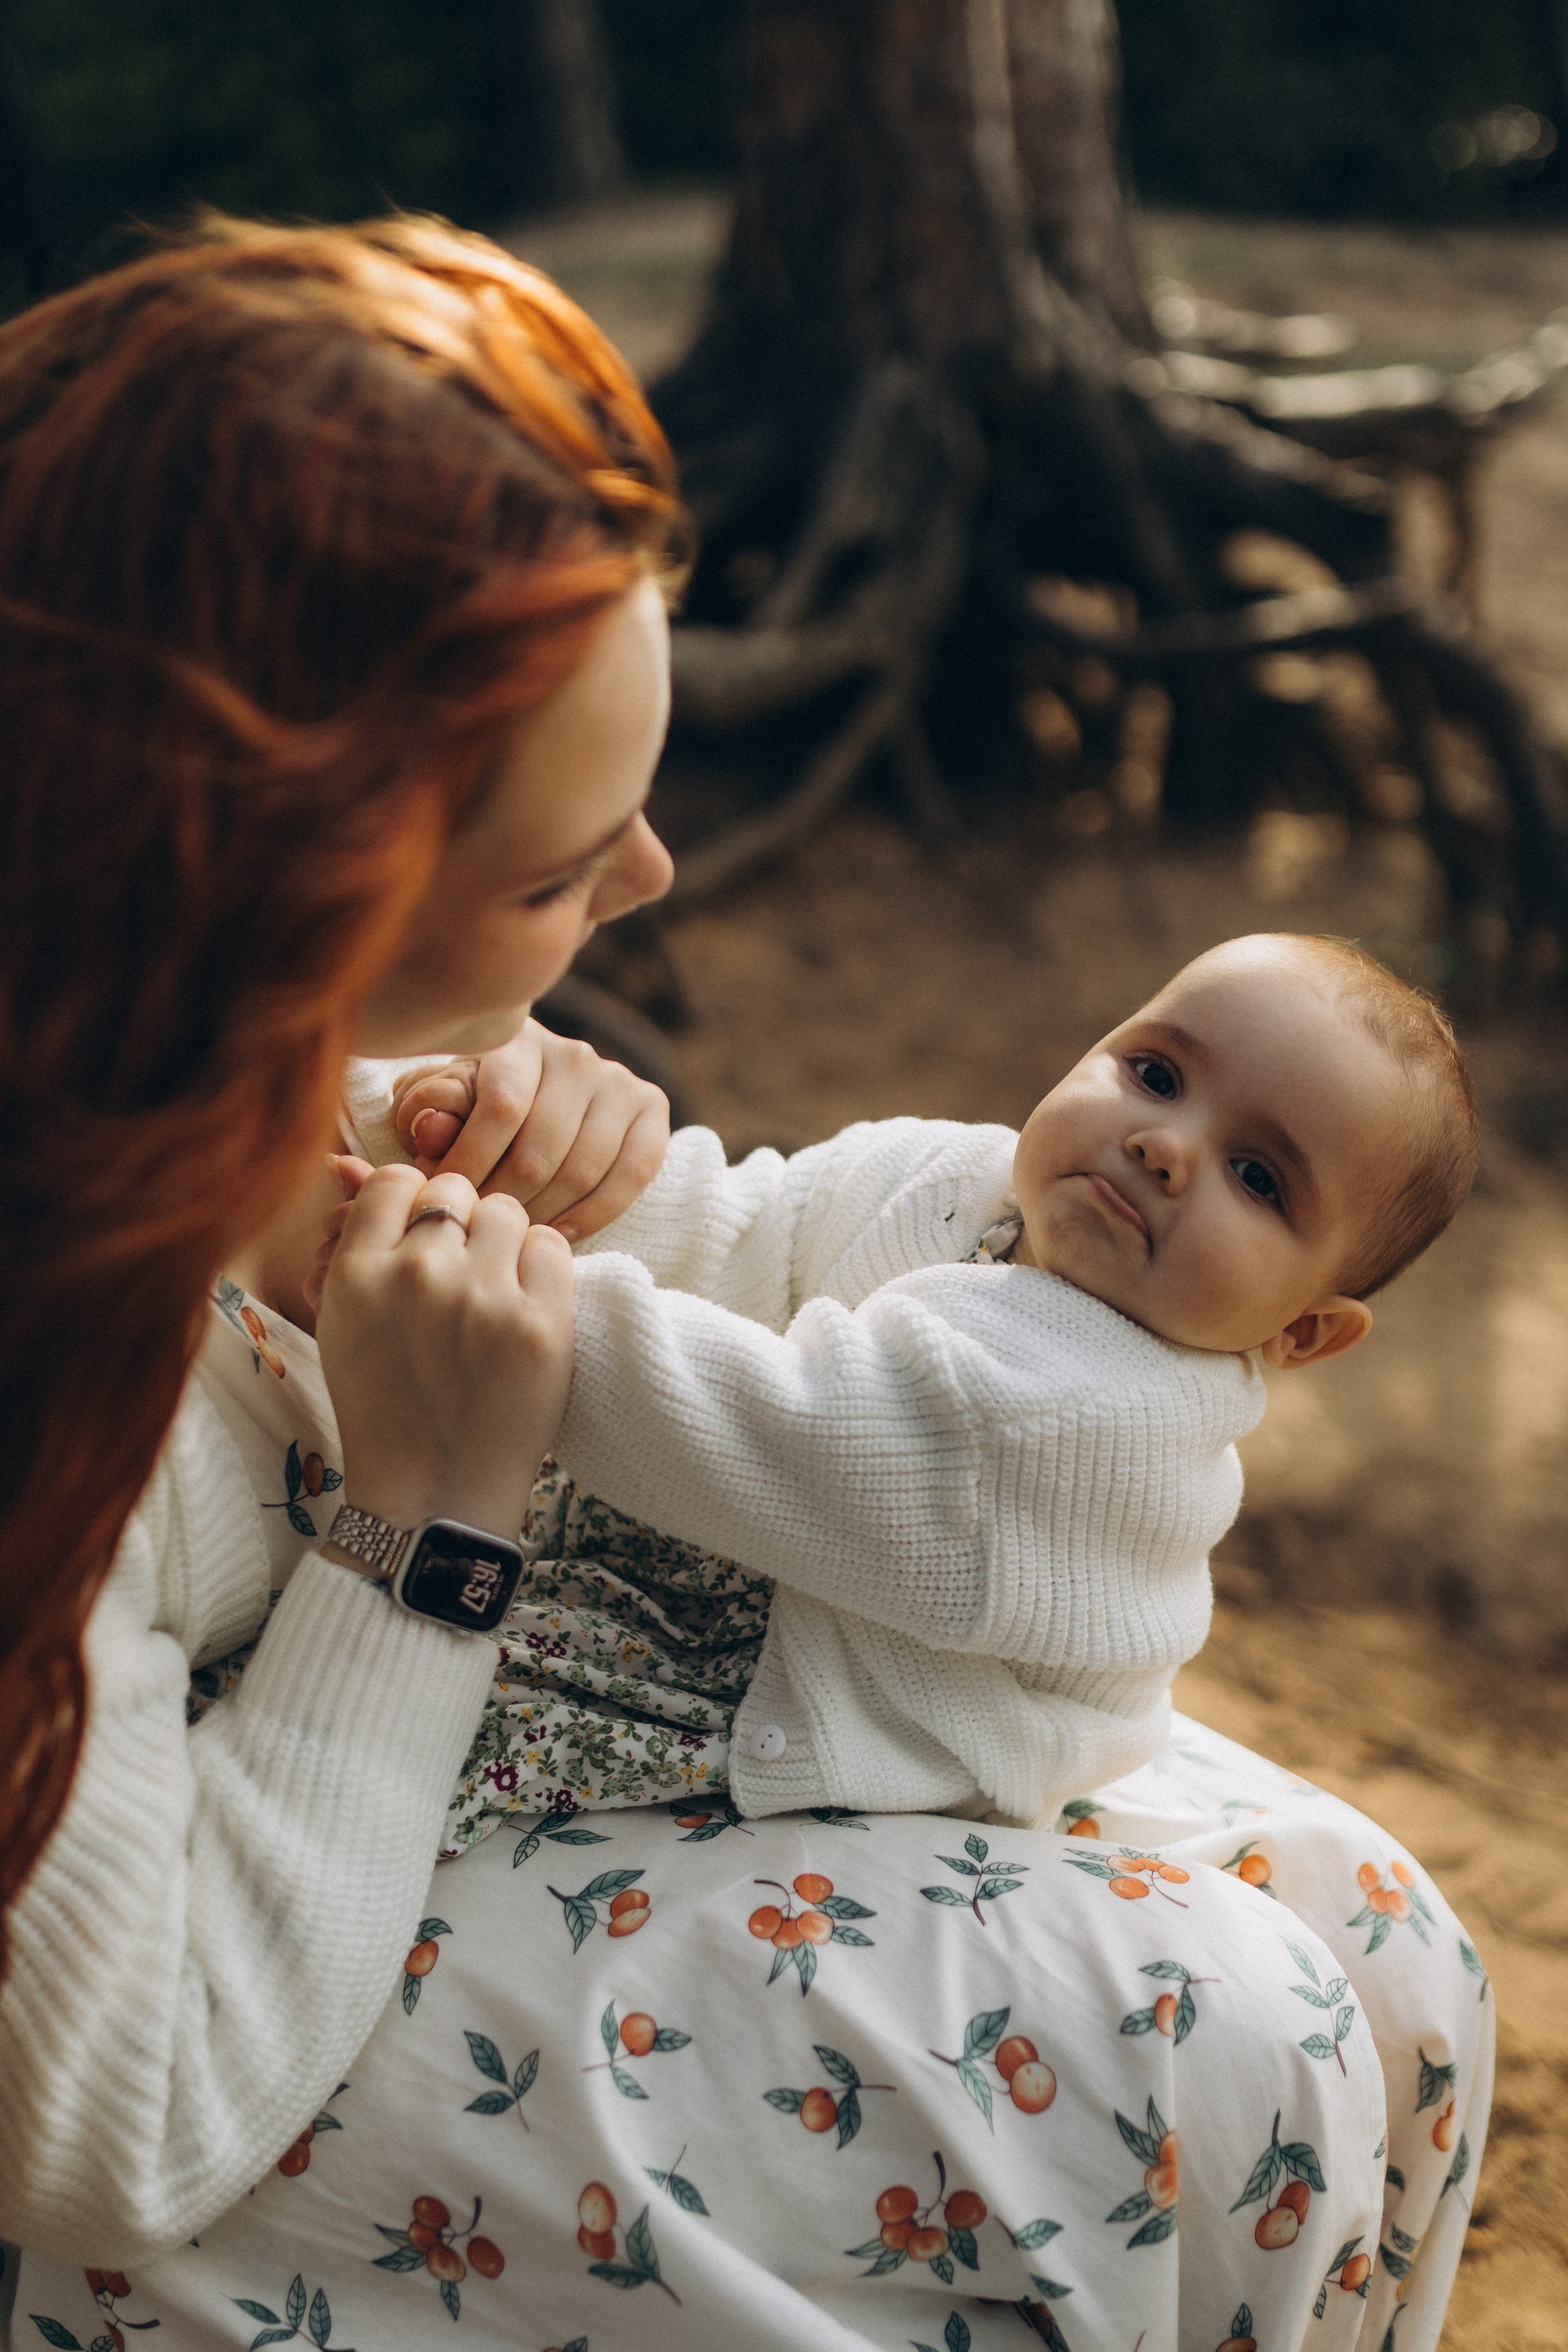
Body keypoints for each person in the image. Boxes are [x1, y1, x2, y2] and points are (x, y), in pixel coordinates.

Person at [0, 217, 1488, 2352]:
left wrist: (536, 1149)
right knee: (1211, 2042)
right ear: (260, 886)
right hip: (171, 2048)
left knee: (1381, 1939)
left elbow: (735, 1255)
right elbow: (112, 2111)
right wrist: (420, 1535)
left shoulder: (152, 997)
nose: (652, 881)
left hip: (415, 1721)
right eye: (555, 869)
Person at [328, 932, 1476, 1847]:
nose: (1167, 1145)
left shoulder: (1086, 1420)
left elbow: (777, 1433)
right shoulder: (964, 1178)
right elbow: (750, 1230)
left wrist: (494, 1290)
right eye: (1156, 1074)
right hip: (739, 1569)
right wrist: (504, 1173)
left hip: (834, 1712)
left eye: (1260, 1176)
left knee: (412, 1739)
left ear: (1306, 1331)